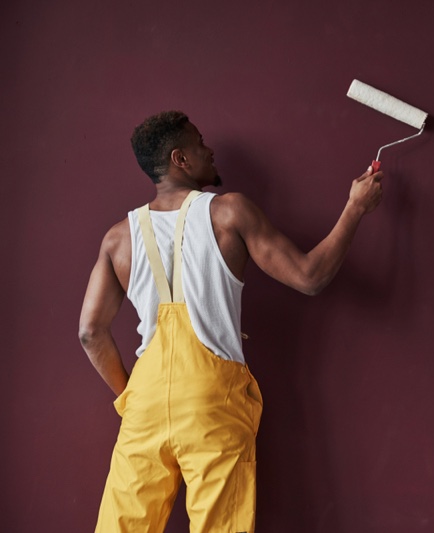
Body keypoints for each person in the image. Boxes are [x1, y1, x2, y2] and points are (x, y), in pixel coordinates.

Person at [78, 110, 384, 532]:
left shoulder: (117, 238)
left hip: (143, 406)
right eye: (200, 143)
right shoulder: (228, 213)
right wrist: (355, 208)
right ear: (179, 158)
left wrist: (131, 396)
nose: (210, 150)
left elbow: (90, 332)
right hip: (211, 400)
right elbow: (310, 277)